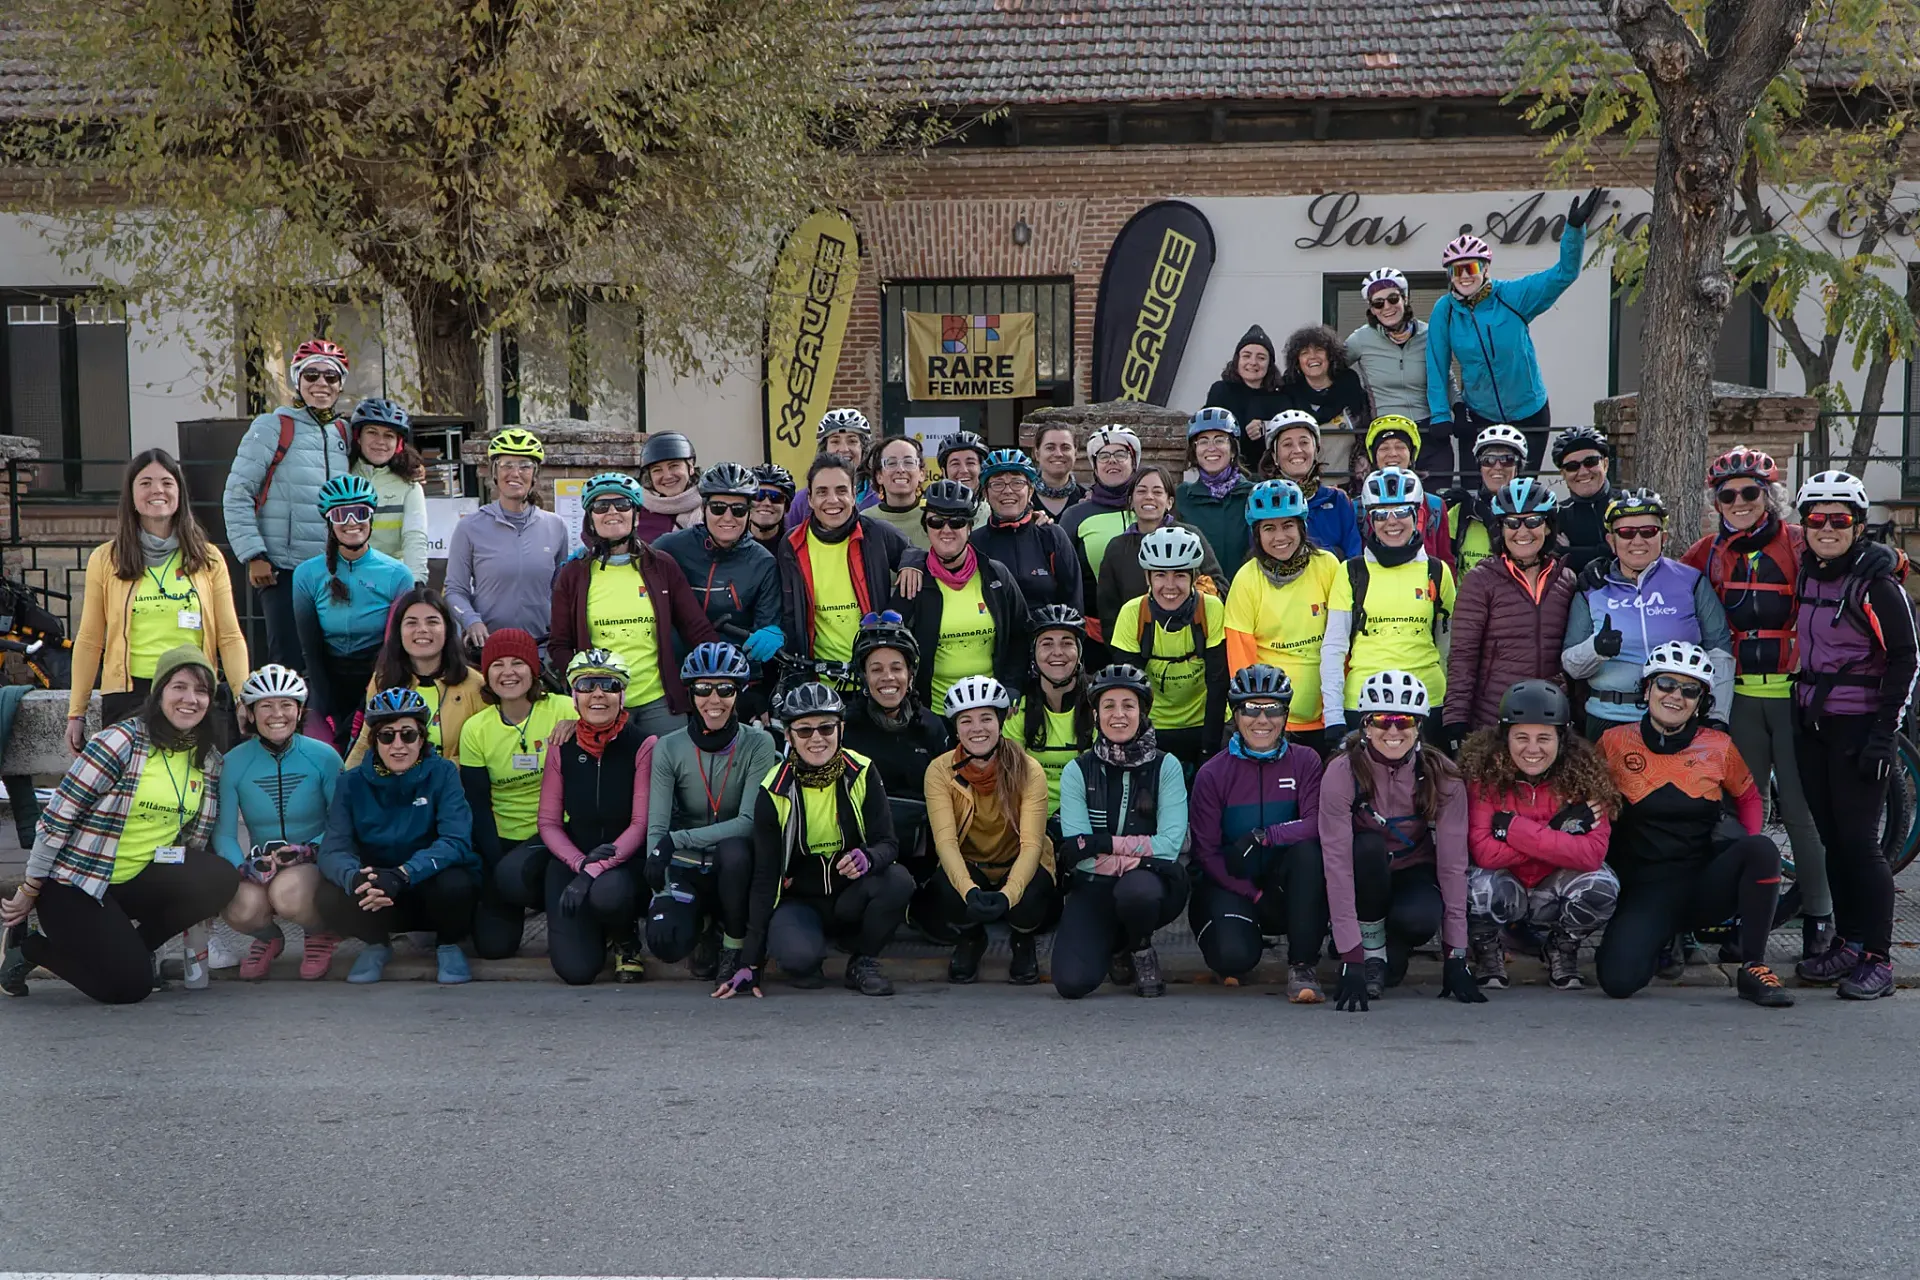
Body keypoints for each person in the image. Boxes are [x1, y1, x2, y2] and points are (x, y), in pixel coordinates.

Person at [2, 646, 237, 1003]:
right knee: (127, 989)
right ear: (159, 693)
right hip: (76, 882)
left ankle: (130, 953)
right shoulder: (120, 742)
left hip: (139, 872)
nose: (191, 699)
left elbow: (192, 841)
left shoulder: (208, 760)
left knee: (220, 878)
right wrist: (30, 887)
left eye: (201, 691)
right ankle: (31, 947)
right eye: (180, 687)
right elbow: (57, 817)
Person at [1681, 448, 1828, 959]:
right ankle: (1748, 912)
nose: (1739, 502)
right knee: (1747, 809)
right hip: (1737, 698)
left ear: (1769, 496)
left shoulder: (1797, 542)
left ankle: (1819, 916)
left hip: (1791, 697)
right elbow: (1669, 588)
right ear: (1716, 501)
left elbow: (1851, 561)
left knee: (1802, 812)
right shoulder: (1705, 552)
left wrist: (1885, 557)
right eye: (1728, 494)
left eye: (1750, 492)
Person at [1592, 642, 1794, 1007]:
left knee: (1761, 849)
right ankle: (1664, 937)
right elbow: (1589, 799)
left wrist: (1743, 855)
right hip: (1645, 889)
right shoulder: (1613, 742)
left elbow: (1749, 797)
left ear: (1700, 701)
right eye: (1666, 684)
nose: (1676, 696)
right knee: (1617, 982)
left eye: (1690, 690)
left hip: (1705, 882)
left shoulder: (1718, 746)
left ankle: (1753, 966)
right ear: (1647, 689)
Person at [1789, 471, 1915, 1001]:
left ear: (1859, 526)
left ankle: (1879, 959)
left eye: (1840, 520)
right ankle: (1848, 940)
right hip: (1811, 721)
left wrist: (1884, 735)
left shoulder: (1876, 583)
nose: (1827, 529)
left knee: (1862, 845)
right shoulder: (1807, 572)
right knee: (1832, 839)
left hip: (1860, 724)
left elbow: (1906, 660)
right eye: (1817, 519)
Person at [1318, 670, 1483, 1012]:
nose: (1393, 731)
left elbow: (1453, 866)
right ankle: (1367, 946)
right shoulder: (1342, 771)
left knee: (1420, 918)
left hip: (1412, 869)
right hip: (1365, 870)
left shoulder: (1443, 774)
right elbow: (1336, 863)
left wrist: (1457, 954)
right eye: (1382, 720)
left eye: (1404, 721)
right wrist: (1352, 955)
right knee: (1368, 848)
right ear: (1365, 725)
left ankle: (1390, 948)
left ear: (1419, 726)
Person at [68, 450, 250, 753]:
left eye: (167, 482)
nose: (157, 491)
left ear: (179, 492)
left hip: (195, 692)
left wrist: (242, 698)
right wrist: (76, 712)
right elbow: (88, 640)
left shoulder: (208, 558)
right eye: (146, 483)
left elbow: (229, 637)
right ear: (131, 493)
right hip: (129, 694)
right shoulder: (105, 559)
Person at [499, 649, 654, 983]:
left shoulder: (644, 744)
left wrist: (594, 871)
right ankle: (593, 930)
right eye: (587, 685)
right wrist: (580, 865)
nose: (597, 693)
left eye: (608, 684)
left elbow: (640, 824)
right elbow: (549, 823)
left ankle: (624, 937)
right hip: (574, 856)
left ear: (622, 694)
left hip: (623, 861)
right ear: (574, 695)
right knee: (576, 972)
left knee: (607, 893)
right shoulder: (561, 742)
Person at [1426, 189, 1604, 472]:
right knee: (1481, 493)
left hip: (1529, 410)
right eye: (1456, 270)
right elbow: (1436, 364)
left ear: (1485, 268)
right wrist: (1440, 414)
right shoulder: (1445, 311)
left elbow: (1564, 274)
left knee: (1523, 492)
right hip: (1480, 414)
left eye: (1471, 267)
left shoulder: (1512, 296)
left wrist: (1574, 230)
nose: (1465, 276)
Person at [1458, 680, 1619, 991]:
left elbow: (1591, 855)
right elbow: (1484, 853)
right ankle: (1488, 951)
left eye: (1544, 737)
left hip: (1553, 886)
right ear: (1505, 738)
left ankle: (1561, 947)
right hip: (1507, 887)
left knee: (1602, 886)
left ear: (1562, 738)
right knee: (1474, 885)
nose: (1533, 749)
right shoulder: (1484, 778)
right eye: (1521, 737)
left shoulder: (1585, 778)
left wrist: (1514, 830)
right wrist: (1560, 834)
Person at [755, 681, 913, 996]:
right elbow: (764, 877)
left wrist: (868, 858)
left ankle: (863, 960)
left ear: (841, 729)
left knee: (898, 880)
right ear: (788, 736)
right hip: (800, 902)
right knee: (800, 963)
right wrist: (750, 961)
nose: (816, 738)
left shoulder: (862, 770)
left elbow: (888, 843)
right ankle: (808, 953)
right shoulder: (773, 788)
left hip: (850, 897)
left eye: (826, 728)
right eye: (804, 731)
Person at [315, 687, 477, 985]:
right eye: (387, 736)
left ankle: (448, 944)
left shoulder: (443, 773)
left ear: (422, 738)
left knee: (458, 883)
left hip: (427, 885)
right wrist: (356, 878)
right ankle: (376, 944)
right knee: (328, 893)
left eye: (408, 734)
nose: (398, 745)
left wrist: (403, 874)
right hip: (378, 893)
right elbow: (332, 849)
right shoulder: (350, 783)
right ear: (374, 741)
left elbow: (456, 839)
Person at [643, 643, 782, 986]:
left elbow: (748, 822)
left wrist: (676, 839)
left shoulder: (759, 744)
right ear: (691, 693)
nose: (714, 699)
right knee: (664, 940)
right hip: (688, 865)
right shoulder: (668, 747)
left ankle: (733, 945)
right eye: (704, 689)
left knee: (734, 851)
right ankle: (703, 924)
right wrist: (658, 890)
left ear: (740, 692)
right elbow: (656, 825)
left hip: (734, 862)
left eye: (726, 688)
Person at [1187, 665, 1327, 1001]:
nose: (1262, 720)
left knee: (1310, 853)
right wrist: (1251, 894)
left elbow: (1317, 823)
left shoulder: (1306, 761)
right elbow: (1206, 853)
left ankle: (1302, 966)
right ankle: (1238, 940)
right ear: (1235, 714)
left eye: (1273, 709)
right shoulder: (1213, 773)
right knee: (1233, 959)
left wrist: (1267, 835)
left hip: (1284, 886)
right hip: (1233, 885)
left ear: (1286, 714)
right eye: (1251, 709)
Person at [550, 470, 720, 741]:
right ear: (590, 518)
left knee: (669, 777)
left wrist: (724, 672)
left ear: (637, 515)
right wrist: (585, 688)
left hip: (659, 701)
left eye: (623, 504)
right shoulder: (574, 574)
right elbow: (559, 644)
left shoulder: (660, 565)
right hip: (603, 700)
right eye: (601, 506)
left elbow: (697, 629)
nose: (612, 511)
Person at [1052, 664, 1189, 999]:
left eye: (1128, 705)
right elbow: (1077, 854)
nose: (1119, 714)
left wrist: (1104, 844)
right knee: (1071, 984)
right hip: (1095, 885)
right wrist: (1141, 857)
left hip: (1151, 888)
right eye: (1108, 705)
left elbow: (1170, 846)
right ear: (1096, 714)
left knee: (1136, 891)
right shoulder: (1077, 770)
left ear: (1142, 712)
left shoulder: (1166, 766)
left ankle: (1140, 948)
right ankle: (1116, 946)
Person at [222, 338, 355, 668]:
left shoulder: (344, 432)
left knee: (333, 664)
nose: (321, 384)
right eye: (311, 376)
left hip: (333, 569)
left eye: (331, 377)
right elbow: (238, 493)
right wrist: (253, 554)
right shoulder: (272, 426)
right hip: (282, 569)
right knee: (289, 664)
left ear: (340, 384)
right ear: (298, 380)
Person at [1561, 489, 1732, 739]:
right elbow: (1571, 666)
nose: (1637, 540)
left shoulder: (1691, 582)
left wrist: (1717, 716)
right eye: (1626, 533)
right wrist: (1595, 649)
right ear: (1611, 541)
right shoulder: (1593, 588)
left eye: (1648, 531)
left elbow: (1720, 652)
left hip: (1676, 718)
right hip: (1609, 717)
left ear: (1663, 537)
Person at [921, 676, 1054, 985]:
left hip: (1016, 860)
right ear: (955, 728)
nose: (977, 728)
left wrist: (1009, 895)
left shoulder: (1029, 769)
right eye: (966, 720)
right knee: (946, 887)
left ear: (1000, 720)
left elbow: (1032, 844)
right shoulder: (939, 771)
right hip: (972, 863)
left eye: (985, 718)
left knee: (1031, 898)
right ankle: (971, 938)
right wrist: (969, 891)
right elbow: (945, 842)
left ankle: (1023, 940)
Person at [214, 665, 344, 982]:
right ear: (251, 712)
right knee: (238, 906)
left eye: (286, 704)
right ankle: (268, 937)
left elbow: (342, 823)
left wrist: (306, 849)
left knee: (288, 894)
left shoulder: (324, 756)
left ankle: (319, 933)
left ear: (300, 711)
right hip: (260, 860)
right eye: (266, 705)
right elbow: (224, 833)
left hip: (312, 860)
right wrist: (242, 868)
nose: (277, 714)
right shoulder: (232, 762)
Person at [458, 629, 576, 961]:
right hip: (503, 838)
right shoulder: (476, 729)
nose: (508, 672)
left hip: (556, 836)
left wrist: (581, 728)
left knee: (521, 877)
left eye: (517, 663)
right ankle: (518, 891)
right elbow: (478, 804)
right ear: (486, 673)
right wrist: (498, 864)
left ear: (533, 669)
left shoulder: (565, 710)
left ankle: (558, 912)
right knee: (494, 948)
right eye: (497, 664)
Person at [1319, 468, 1457, 749]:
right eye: (1381, 514)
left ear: (1417, 515)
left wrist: (1453, 709)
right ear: (1370, 519)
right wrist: (1333, 715)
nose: (1391, 522)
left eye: (1401, 512)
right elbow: (1334, 648)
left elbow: (1448, 648)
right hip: (1363, 703)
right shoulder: (1351, 572)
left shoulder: (1437, 571)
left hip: (1428, 701)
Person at [1443, 478, 1575, 744]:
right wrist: (1455, 720)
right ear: (1500, 529)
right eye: (1512, 523)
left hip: (1550, 718)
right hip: (1493, 717)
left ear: (1548, 527)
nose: (1522, 531)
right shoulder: (1481, 580)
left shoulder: (1566, 580)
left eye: (1533, 521)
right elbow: (1462, 656)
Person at [291, 474, 415, 755]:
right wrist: (328, 708)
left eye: (360, 513)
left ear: (371, 519)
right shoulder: (306, 575)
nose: (351, 523)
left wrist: (364, 706)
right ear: (330, 523)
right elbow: (310, 648)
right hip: (327, 678)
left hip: (379, 674)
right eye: (341, 515)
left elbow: (394, 648)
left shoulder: (398, 575)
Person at [775, 453, 924, 668]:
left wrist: (911, 563)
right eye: (822, 492)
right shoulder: (791, 543)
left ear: (854, 495)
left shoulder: (876, 533)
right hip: (817, 676)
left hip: (873, 675)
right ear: (810, 499)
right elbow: (790, 613)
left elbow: (916, 552)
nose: (833, 500)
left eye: (841, 490)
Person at [1224, 479, 1342, 746]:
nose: (1280, 537)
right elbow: (1241, 662)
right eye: (1269, 528)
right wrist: (1257, 715)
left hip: (1328, 716)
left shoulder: (1328, 566)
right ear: (1257, 534)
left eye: (1288, 525)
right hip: (1272, 722)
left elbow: (1343, 642)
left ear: (1302, 526)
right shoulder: (1246, 579)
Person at [900, 480, 1030, 710]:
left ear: (970, 527)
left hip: (991, 708)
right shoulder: (915, 580)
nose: (946, 530)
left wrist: (1013, 686)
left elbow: (1021, 634)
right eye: (936, 522)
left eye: (957, 522)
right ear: (926, 527)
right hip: (934, 711)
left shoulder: (995, 576)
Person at [1109, 526, 1229, 766]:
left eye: (1180, 575)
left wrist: (1208, 750)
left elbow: (1218, 684)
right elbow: (1130, 689)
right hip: (1154, 724)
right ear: (1148, 578)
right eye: (1161, 575)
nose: (1170, 585)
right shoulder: (1133, 613)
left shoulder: (1211, 608)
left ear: (1195, 577)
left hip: (1205, 720)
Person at [655, 462, 784, 680]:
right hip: (675, 675)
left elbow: (767, 624)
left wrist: (774, 631)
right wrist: (592, 554)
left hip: (734, 679)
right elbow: (630, 561)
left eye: (738, 510)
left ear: (749, 513)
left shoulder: (763, 563)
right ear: (704, 509)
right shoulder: (670, 547)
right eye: (717, 508)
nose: (728, 517)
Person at [444, 428, 569, 649]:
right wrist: (471, 621)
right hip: (489, 647)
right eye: (506, 465)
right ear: (494, 472)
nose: (515, 472)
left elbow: (560, 590)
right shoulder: (469, 527)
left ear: (535, 474)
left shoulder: (555, 526)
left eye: (524, 465)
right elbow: (455, 591)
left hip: (541, 646)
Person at [342, 588, 487, 767]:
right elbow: (365, 742)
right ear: (399, 631)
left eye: (432, 622)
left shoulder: (475, 684)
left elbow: (485, 751)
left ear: (448, 629)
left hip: (454, 788)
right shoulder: (383, 679)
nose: (422, 630)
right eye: (411, 623)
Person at [840, 611, 950, 831]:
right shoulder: (845, 729)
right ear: (864, 677)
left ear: (910, 675)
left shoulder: (932, 727)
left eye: (896, 668)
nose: (887, 677)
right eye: (876, 669)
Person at [1346, 267, 1453, 486]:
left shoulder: (1429, 333)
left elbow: (1447, 379)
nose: (1387, 307)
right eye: (1378, 303)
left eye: (1393, 298)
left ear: (1405, 298)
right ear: (1372, 310)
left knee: (1437, 501)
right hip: (1388, 433)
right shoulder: (1361, 339)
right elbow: (1329, 370)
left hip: (1429, 430)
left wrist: (1459, 410)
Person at [1094, 466, 1225, 640]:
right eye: (1141, 491)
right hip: (1135, 646)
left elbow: (1220, 587)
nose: (1149, 497)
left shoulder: (1190, 537)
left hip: (1191, 644)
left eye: (1157, 492)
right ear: (1131, 500)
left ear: (1169, 502)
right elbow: (1108, 610)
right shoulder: (1117, 548)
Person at [971, 447, 1083, 615]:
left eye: (1017, 482)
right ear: (986, 493)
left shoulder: (1052, 536)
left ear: (1030, 491)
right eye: (997, 484)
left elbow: (1074, 603)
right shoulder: (975, 543)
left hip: (1045, 637)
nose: (1008, 490)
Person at [1059, 425, 1143, 646]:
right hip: (1094, 633)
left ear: (1134, 462)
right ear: (1095, 467)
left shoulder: (1151, 507)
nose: (1112, 461)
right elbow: (1063, 577)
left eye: (1120, 454)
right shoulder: (1075, 515)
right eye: (1103, 456)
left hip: (1151, 626)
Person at [1015, 605, 1094, 812]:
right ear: (1034, 653)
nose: (1057, 652)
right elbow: (1012, 777)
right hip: (1033, 816)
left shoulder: (1099, 706)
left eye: (1067, 643)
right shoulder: (1017, 708)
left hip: (1088, 816)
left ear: (1079, 652)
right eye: (1047, 644)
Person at [1276, 324, 1371, 486]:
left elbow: (1364, 434)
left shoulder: (1351, 388)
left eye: (1319, 350)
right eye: (1304, 353)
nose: (1312, 357)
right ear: (1297, 361)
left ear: (1330, 356)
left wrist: (1363, 457)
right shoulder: (1286, 393)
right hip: (1298, 490)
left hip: (1346, 488)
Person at [1260, 409, 1361, 560]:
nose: (1297, 450)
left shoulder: (1337, 499)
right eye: (1287, 444)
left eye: (1304, 442)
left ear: (1315, 451)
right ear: (1275, 456)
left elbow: (1354, 559)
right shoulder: (1261, 502)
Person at [346, 397, 428, 583]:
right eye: (372, 432)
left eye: (389, 435)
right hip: (345, 578)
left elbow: (415, 537)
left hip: (390, 578)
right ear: (358, 437)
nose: (380, 441)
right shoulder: (341, 476)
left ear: (398, 443)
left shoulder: (410, 485)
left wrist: (416, 582)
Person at [1353, 415, 1451, 566]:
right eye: (1384, 448)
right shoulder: (1357, 507)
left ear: (1412, 455)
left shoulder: (1434, 505)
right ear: (1374, 457)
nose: (1392, 453)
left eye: (1400, 447)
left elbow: (1445, 559)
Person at [1176, 407, 1255, 582]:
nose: (1211, 448)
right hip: (1202, 598)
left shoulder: (1254, 494)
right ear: (1194, 451)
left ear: (1233, 449)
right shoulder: (1181, 496)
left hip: (1247, 595)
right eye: (1203, 441)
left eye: (1219, 440)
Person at [1443, 423, 1528, 578]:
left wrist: (1488, 519)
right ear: (1479, 466)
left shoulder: (1531, 511)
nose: (1497, 467)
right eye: (1488, 460)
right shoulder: (1461, 511)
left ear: (1518, 467)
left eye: (1507, 460)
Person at [1203, 323, 1288, 469]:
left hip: (1269, 474)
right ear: (1237, 360)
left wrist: (1266, 427)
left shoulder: (1281, 396)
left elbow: (1289, 434)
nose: (1253, 362)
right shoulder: (1221, 391)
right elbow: (1209, 431)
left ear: (1270, 365)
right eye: (1246, 356)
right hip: (1227, 472)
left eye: (1261, 358)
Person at [785, 408, 881, 530]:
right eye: (835, 441)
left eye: (852, 441)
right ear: (824, 449)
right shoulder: (801, 501)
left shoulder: (880, 497)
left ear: (863, 449)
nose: (844, 449)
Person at [1549, 426, 1621, 574]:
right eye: (1572, 466)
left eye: (1591, 461)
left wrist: (1571, 552)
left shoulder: (1627, 505)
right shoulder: (1557, 514)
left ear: (1605, 464)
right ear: (1563, 474)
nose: (1582, 472)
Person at [635, 431, 704, 542]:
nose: (667, 476)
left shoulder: (712, 508)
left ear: (690, 467)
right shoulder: (636, 515)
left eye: (674, 466)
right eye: (657, 470)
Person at [867, 435, 931, 550]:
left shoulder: (935, 518)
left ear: (922, 474)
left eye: (909, 462)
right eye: (891, 463)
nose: (901, 469)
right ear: (879, 476)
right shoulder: (865, 521)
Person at [1032, 423, 1087, 518]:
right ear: (1037, 454)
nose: (1058, 454)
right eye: (1050, 448)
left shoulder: (1085, 500)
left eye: (1065, 448)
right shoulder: (1022, 501)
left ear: (1075, 454)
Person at [938, 430, 991, 526]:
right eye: (955, 464)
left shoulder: (995, 513)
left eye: (970, 463)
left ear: (982, 468)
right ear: (944, 472)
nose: (964, 470)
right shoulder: (932, 515)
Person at [749, 463, 797, 551]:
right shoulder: (730, 544)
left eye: (776, 497)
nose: (766, 503)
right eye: (759, 495)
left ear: (786, 507)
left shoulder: (796, 548)